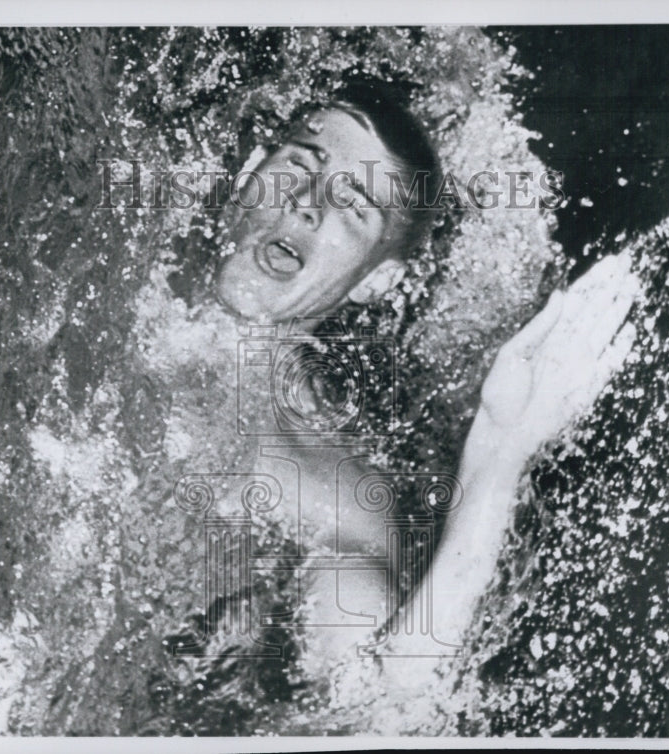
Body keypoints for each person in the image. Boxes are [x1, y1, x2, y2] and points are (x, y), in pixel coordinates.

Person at [201, 81, 639, 681]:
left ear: (375, 281)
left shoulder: (329, 496)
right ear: (251, 172)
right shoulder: (85, 247)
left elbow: (381, 694)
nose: (308, 202)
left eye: (355, 208)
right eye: (301, 162)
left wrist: (499, 450)